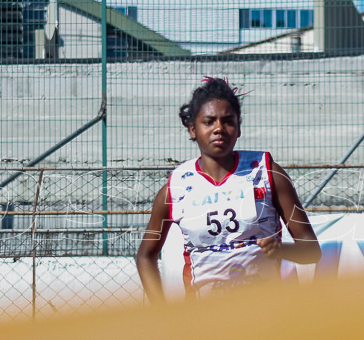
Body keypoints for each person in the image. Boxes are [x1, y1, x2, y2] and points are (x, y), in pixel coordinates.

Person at [136, 78, 321, 302]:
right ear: (193, 130)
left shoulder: (268, 173)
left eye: (228, 121)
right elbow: (146, 256)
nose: (219, 129)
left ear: (239, 128)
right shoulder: (175, 188)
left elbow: (312, 250)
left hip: (268, 312)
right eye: (209, 121)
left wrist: (281, 250)